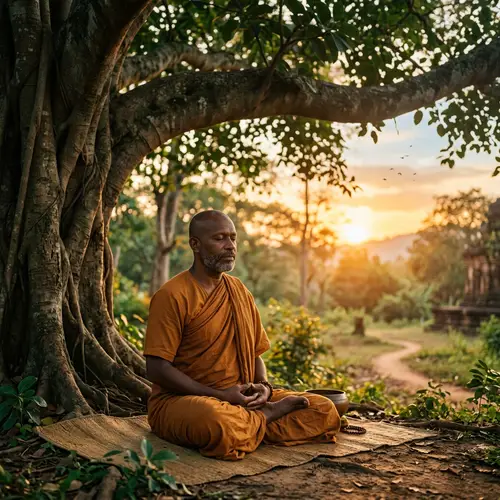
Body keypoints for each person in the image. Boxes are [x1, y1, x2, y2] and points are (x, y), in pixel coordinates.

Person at [144, 210, 340, 460]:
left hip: (243, 398)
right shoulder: (172, 295)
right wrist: (220, 396)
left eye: (233, 238)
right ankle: (265, 418)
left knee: (323, 408)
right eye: (220, 238)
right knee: (216, 421)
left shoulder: (238, 291)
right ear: (195, 244)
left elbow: (256, 353)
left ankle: (252, 422)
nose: (230, 246)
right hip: (186, 402)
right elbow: (156, 368)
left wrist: (264, 388)